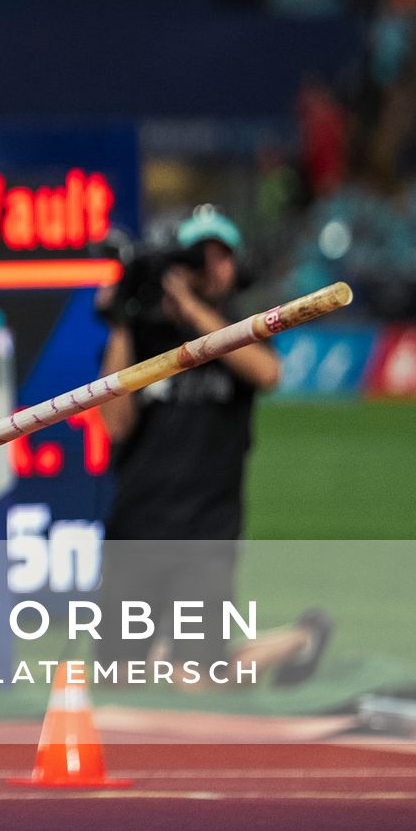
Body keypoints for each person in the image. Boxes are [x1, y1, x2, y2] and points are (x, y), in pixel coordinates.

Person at [96, 206, 332, 686]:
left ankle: (304, 636)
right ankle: (293, 638)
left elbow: (269, 374)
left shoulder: (244, 326)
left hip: (206, 533)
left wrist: (193, 312)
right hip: (137, 525)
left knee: (195, 679)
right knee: (115, 678)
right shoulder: (144, 334)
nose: (213, 268)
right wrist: (124, 318)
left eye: (222, 256)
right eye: (201, 256)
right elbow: (115, 423)